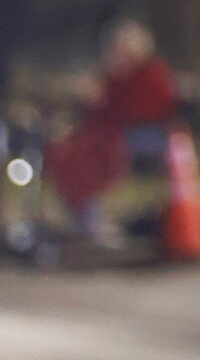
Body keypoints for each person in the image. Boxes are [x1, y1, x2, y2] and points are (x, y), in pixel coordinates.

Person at [45, 17, 178, 245]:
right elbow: (99, 113)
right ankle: (85, 222)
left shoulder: (152, 73)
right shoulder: (113, 77)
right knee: (65, 152)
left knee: (89, 157)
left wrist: (106, 101)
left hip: (141, 134)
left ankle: (92, 225)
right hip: (109, 133)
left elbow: (147, 110)